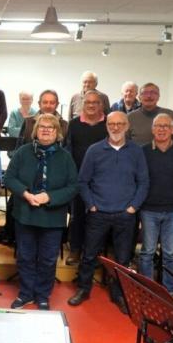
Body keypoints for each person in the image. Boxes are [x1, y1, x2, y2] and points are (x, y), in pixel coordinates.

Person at [69, 111, 149, 312]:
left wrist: (133, 207)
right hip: (98, 213)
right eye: (112, 124)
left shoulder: (136, 151)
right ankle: (83, 289)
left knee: (122, 259)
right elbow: (83, 181)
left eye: (120, 123)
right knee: (88, 255)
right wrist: (91, 205)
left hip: (125, 215)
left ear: (127, 125)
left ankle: (119, 294)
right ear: (106, 126)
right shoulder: (94, 150)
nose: (115, 127)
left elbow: (144, 182)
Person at [4, 114, 78, 310]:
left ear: (57, 132)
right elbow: (10, 178)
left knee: (47, 259)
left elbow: (73, 187)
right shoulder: (22, 152)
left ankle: (43, 295)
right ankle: (26, 293)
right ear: (35, 131)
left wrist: (49, 197)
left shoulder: (65, 157)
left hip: (52, 217)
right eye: (42, 127)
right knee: (25, 257)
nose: (46, 130)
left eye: (51, 127)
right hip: (25, 213)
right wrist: (26, 194)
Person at [139, 114, 173, 294]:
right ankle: (147, 289)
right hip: (149, 210)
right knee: (147, 252)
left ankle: (169, 291)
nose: (161, 129)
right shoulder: (143, 151)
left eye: (166, 126)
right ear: (152, 129)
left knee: (170, 254)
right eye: (158, 126)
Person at [65, 90, 108, 264]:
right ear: (83, 104)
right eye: (88, 102)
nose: (91, 105)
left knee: (98, 218)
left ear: (101, 105)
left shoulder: (108, 124)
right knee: (77, 217)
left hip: (101, 180)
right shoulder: (74, 124)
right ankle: (75, 250)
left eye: (95, 102)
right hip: (79, 179)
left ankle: (95, 252)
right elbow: (68, 150)